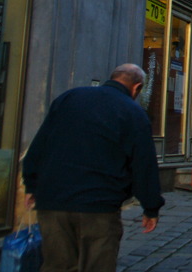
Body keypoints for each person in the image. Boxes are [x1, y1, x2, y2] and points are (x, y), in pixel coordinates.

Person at [22, 63, 164, 272]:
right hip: (99, 204)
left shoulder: (69, 98)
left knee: (57, 264)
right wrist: (151, 207)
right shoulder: (132, 112)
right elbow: (143, 165)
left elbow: (40, 144)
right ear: (137, 87)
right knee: (98, 264)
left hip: (53, 199)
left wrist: (32, 184)